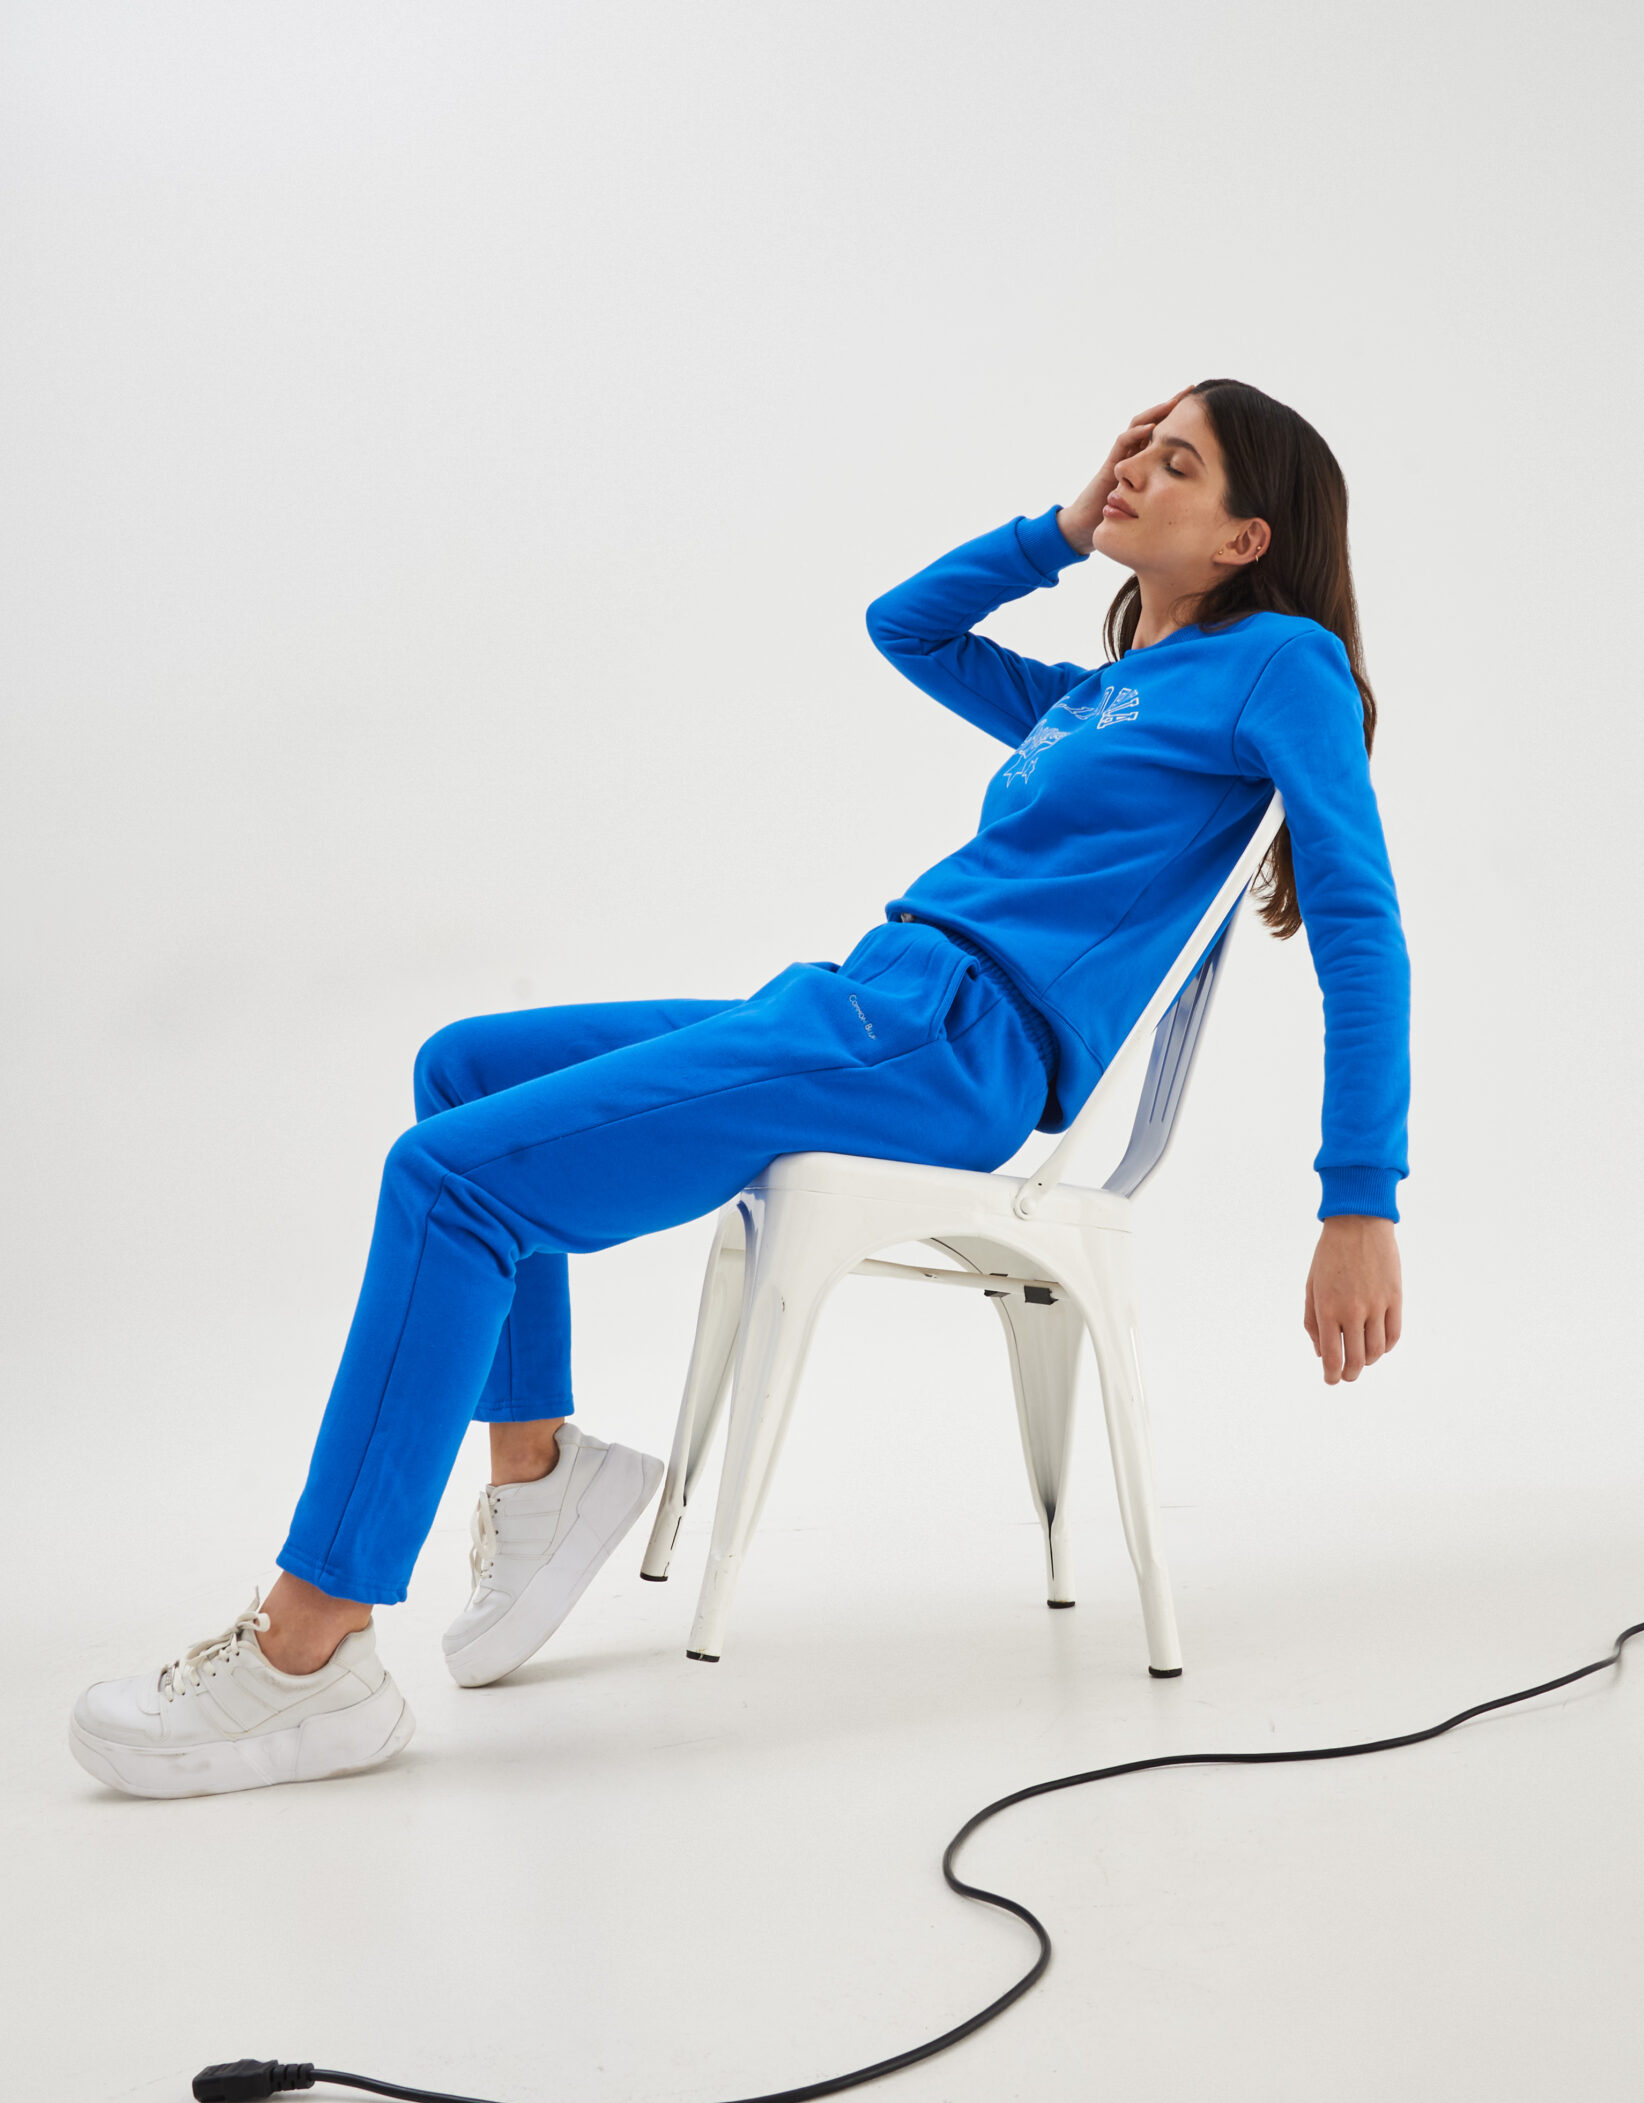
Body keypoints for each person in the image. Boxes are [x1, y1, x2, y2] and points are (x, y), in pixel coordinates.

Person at [68, 379, 1410, 1801]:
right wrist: (1062, 530)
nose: (1134, 466)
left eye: (1175, 462)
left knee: (447, 1181)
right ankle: (539, 1478)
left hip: (952, 1046)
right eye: (1136, 444)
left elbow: (1358, 922)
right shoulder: (1099, 695)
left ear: (1246, 538)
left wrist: (1358, 1200)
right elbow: (906, 626)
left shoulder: (1283, 666)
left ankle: (311, 1653)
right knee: (465, 1069)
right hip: (866, 999)